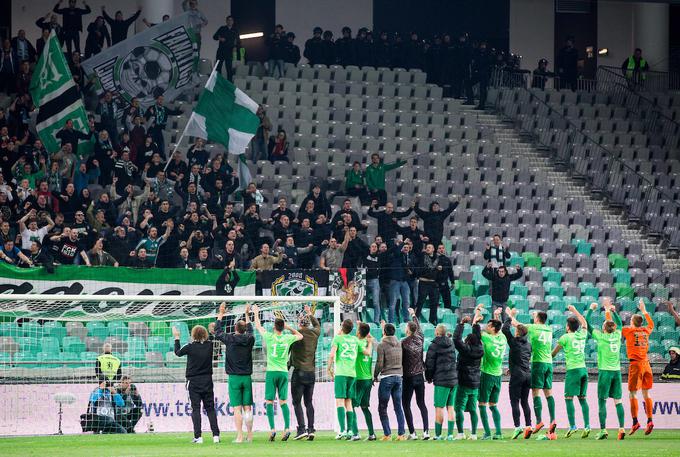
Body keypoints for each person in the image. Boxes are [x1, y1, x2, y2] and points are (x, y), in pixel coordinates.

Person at [252, 304, 303, 441]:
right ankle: (287, 428)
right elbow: (300, 336)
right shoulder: (287, 338)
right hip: (283, 372)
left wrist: (256, 313)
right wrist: (289, 327)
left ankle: (273, 429)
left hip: (271, 372)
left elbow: (258, 326)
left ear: (274, 327)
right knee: (283, 401)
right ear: (282, 327)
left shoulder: (269, 336)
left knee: (269, 401)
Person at [585, 300, 626, 440]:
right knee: (618, 401)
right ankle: (621, 428)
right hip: (617, 372)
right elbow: (620, 324)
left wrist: (591, 309)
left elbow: (586, 324)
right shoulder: (617, 335)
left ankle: (603, 430)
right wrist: (613, 311)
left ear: (603, 329)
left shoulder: (600, 337)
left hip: (605, 372)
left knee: (602, 401)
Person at [214, 302, 255, 443]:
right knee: (247, 408)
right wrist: (247, 314)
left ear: (235, 328)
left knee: (237, 409)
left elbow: (217, 330)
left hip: (234, 378)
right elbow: (251, 330)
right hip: (247, 378)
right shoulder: (250, 339)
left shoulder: (230, 339)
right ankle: (250, 435)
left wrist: (221, 312)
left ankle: (240, 436)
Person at [173, 323, 220, 444]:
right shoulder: (210, 345)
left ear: (193, 335)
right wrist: (213, 331)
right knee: (210, 408)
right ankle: (216, 436)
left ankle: (198, 437)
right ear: (205, 334)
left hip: (193, 382)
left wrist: (177, 337)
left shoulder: (189, 346)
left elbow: (177, 352)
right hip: (207, 381)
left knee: (196, 409)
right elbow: (216, 345)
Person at [552, 305, 590, 438]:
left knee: (568, 399)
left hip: (573, 370)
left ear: (568, 327)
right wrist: (575, 311)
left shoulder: (564, 338)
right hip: (584, 370)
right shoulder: (582, 334)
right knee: (583, 399)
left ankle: (573, 426)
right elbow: (584, 322)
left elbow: (553, 354)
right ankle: (587, 426)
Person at [520, 310, 556, 438]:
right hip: (549, 363)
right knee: (549, 393)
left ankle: (539, 420)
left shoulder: (533, 327)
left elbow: (518, 326)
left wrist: (510, 314)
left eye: (534, 316)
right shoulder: (549, 329)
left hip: (538, 362)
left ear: (537, 319)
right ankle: (553, 420)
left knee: (535, 392)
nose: (533, 317)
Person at [622, 298, 655, 435]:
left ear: (632, 323)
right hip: (647, 364)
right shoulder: (646, 331)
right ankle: (650, 420)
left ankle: (635, 422)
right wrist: (644, 311)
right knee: (646, 393)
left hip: (636, 365)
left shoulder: (629, 331)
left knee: (632, 393)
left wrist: (608, 312)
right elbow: (651, 324)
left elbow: (614, 326)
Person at [452, 308, 484, 440]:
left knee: (458, 408)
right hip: (475, 382)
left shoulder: (466, 350)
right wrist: (475, 324)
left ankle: (460, 433)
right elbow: (478, 336)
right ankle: (474, 434)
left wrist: (461, 324)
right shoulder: (480, 347)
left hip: (463, 382)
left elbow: (456, 339)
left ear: (468, 342)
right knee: (472, 409)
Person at [290, 305, 321, 440]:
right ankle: (311, 429)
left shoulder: (296, 336)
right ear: (308, 324)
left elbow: (288, 351)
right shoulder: (315, 333)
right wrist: (310, 313)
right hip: (311, 373)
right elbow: (317, 325)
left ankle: (301, 429)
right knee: (309, 402)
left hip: (299, 372)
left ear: (299, 324)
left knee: (297, 402)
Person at [502, 308, 533, 439]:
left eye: (516, 331)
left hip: (518, 375)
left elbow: (504, 329)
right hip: (527, 374)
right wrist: (512, 366)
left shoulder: (514, 342)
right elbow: (522, 357)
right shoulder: (529, 345)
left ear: (518, 333)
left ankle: (517, 427)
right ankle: (529, 426)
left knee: (514, 401)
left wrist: (510, 316)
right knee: (525, 401)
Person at [328, 318, 360, 440]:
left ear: (342, 327)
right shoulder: (355, 340)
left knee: (339, 401)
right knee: (349, 402)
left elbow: (332, 354)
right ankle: (350, 430)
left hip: (341, 373)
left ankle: (342, 430)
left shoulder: (338, 338)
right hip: (352, 373)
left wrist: (329, 368)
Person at [374, 321, 406, 441]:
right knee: (398, 406)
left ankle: (387, 434)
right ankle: (401, 434)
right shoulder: (399, 343)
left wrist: (375, 375)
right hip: (399, 377)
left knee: (382, 407)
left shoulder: (381, 345)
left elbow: (380, 363)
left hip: (387, 377)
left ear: (384, 332)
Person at [478, 307, 507, 440]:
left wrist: (477, 313)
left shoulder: (487, 338)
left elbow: (475, 328)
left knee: (482, 404)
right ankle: (499, 432)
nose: (486, 327)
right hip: (498, 376)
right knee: (493, 405)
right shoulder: (503, 338)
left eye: (489, 326)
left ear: (493, 329)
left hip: (487, 374)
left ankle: (488, 433)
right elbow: (499, 328)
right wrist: (497, 316)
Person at [425, 322, 457, 440]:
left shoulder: (434, 345)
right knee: (451, 407)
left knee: (439, 407)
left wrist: (428, 377)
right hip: (453, 379)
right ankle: (449, 435)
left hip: (441, 380)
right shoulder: (451, 343)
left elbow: (429, 364)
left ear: (437, 332)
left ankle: (438, 435)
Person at [401, 308, 429, 440]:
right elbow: (418, 326)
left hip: (408, 377)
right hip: (419, 376)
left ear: (408, 330)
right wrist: (413, 314)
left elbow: (401, 360)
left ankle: (412, 433)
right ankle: (426, 431)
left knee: (406, 404)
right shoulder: (421, 338)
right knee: (421, 403)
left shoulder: (403, 343)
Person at [350, 322, 376, 440]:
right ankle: (371, 434)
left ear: (359, 332)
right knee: (365, 407)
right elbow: (369, 336)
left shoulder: (357, 342)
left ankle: (355, 434)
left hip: (359, 379)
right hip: (368, 380)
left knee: (351, 405)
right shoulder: (370, 342)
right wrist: (363, 326)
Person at [415, 243, 440, 325]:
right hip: (423, 282)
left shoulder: (437, 259)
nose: (428, 248)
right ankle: (416, 319)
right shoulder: (422, 257)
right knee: (420, 301)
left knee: (434, 302)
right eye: (427, 247)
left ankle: (432, 321)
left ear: (433, 249)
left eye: (430, 247)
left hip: (433, 283)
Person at [213, 16, 240, 81]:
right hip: (221, 50)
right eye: (228, 20)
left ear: (233, 22)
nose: (230, 21)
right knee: (218, 67)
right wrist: (220, 38)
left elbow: (238, 40)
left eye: (231, 20)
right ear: (226, 21)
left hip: (229, 50)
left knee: (229, 68)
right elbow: (214, 37)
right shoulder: (222, 28)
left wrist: (235, 47)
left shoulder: (235, 30)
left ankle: (229, 83)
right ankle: (219, 81)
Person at [436, 244, 454, 310]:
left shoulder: (447, 260)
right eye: (440, 248)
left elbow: (450, 272)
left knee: (448, 303)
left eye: (442, 248)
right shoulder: (435, 259)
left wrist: (452, 282)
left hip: (445, 283)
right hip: (436, 284)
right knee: (435, 302)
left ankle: (447, 316)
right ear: (437, 250)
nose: (441, 250)